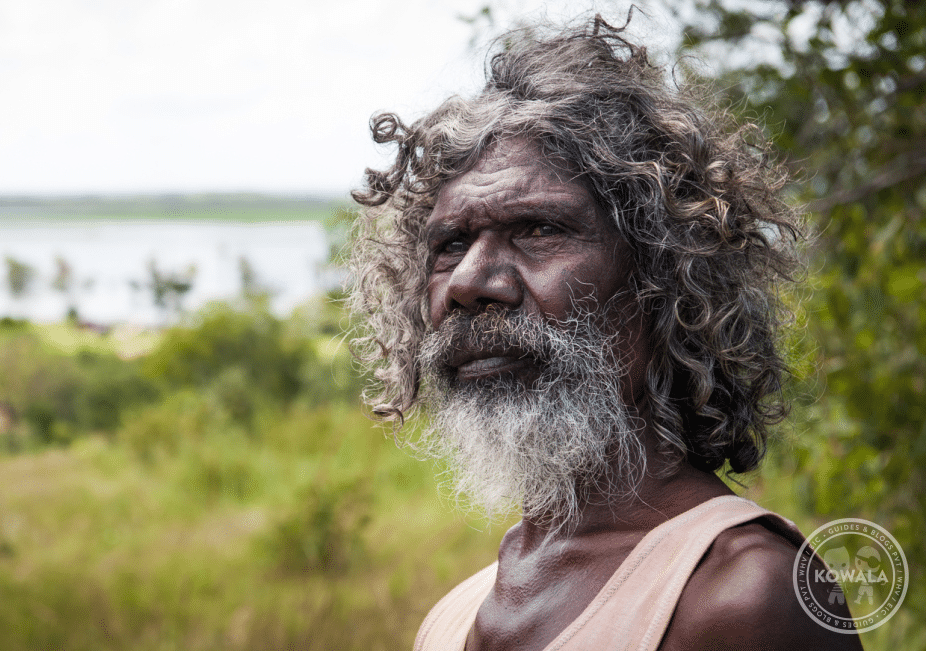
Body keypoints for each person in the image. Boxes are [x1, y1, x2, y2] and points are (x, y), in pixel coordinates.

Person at [346, 16, 861, 651]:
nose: (470, 281)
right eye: (450, 244)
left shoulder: (744, 597)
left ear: (664, 273)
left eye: (538, 229)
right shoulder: (458, 612)